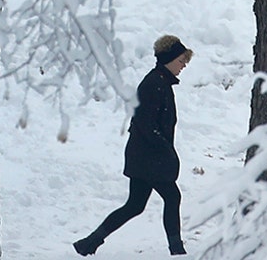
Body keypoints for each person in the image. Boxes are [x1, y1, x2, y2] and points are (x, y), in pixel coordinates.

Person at [75, 35, 194, 256]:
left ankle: (89, 242)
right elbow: (145, 123)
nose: (184, 66)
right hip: (148, 157)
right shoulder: (154, 84)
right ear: (168, 59)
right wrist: (165, 150)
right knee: (172, 197)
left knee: (134, 206)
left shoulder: (161, 83)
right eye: (181, 61)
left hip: (145, 156)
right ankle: (177, 251)